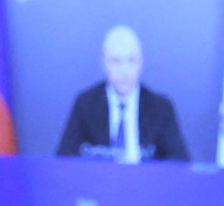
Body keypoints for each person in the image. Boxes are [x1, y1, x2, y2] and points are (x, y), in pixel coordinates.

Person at [52, 25, 187, 162]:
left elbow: (179, 163)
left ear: (141, 64)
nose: (124, 70)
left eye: (131, 60)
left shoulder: (161, 108)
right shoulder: (85, 104)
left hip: (146, 182)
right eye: (116, 61)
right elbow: (64, 159)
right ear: (104, 64)